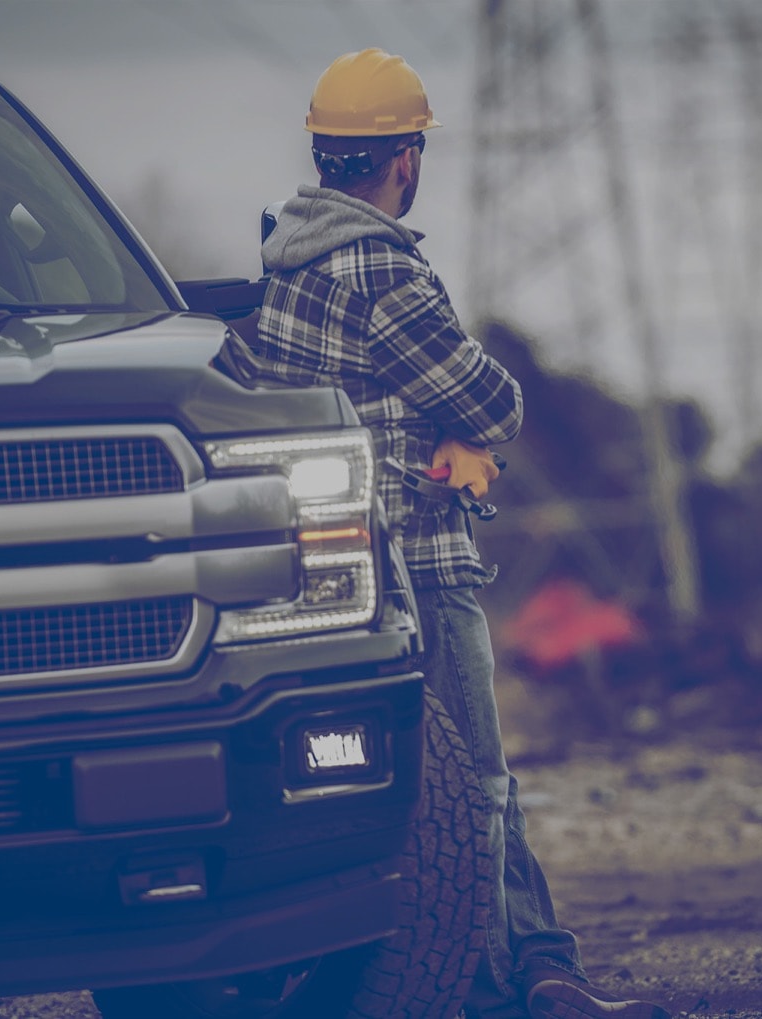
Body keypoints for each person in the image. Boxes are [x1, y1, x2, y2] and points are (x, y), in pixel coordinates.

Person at [240, 48, 671, 1019]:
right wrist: (467, 425)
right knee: (477, 789)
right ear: (404, 158)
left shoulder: (283, 266)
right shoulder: (382, 265)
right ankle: (497, 989)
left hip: (323, 569)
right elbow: (492, 397)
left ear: (322, 153)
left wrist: (441, 421)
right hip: (417, 563)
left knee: (448, 793)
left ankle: (548, 973)